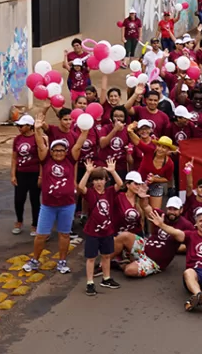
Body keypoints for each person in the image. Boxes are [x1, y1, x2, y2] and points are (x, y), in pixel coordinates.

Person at [24, 119, 90, 275]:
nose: (58, 153)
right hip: (48, 206)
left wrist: (85, 131)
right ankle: (35, 260)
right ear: (51, 151)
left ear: (66, 151)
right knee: (41, 235)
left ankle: (62, 262)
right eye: (55, 150)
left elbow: (78, 145)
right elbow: (40, 145)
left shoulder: (70, 160)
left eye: (61, 150)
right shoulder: (46, 160)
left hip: (67, 205)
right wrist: (37, 129)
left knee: (64, 234)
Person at [113, 196, 191, 279]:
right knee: (124, 235)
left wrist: (178, 248)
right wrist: (143, 197)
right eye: (170, 209)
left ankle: (124, 264)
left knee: (129, 270)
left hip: (154, 262)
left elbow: (193, 241)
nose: (172, 212)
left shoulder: (186, 225)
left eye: (175, 209)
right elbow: (146, 206)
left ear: (181, 210)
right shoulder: (160, 215)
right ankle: (106, 262)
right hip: (144, 247)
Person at [77, 159, 123, 296]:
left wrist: (113, 171)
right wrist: (87, 172)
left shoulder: (109, 192)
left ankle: (106, 278)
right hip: (93, 231)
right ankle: (90, 282)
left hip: (107, 230)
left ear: (106, 180)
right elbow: (80, 187)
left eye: (101, 179)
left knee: (106, 256)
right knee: (91, 257)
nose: (98, 182)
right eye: (95, 180)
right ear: (92, 182)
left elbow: (120, 184)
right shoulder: (90, 193)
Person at [11, 115, 41, 236]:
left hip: (34, 173)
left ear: (29, 126)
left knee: (35, 200)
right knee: (19, 199)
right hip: (21, 173)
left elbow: (42, 159)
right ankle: (19, 221)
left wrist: (41, 176)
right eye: (18, 126)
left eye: (21, 126)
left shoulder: (37, 139)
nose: (19, 128)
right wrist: (13, 174)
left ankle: (35, 224)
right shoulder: (17, 139)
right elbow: (14, 158)